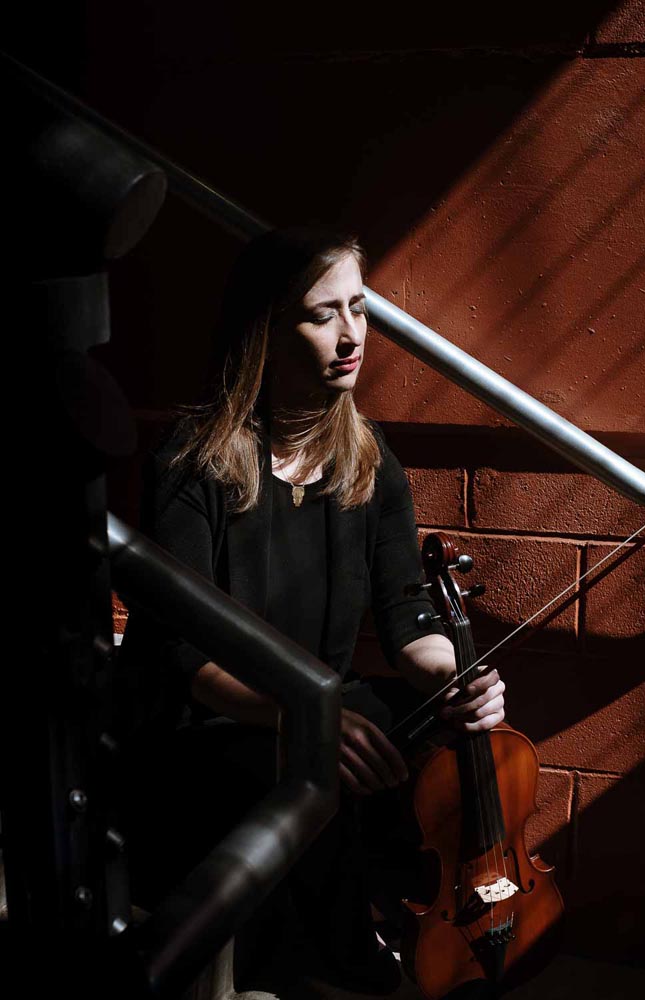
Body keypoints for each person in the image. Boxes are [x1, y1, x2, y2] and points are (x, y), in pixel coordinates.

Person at [116, 226, 505, 995]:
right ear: (265, 329)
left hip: (319, 705)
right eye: (320, 314)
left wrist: (457, 677)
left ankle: (394, 926)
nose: (350, 334)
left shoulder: (368, 459)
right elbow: (181, 656)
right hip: (211, 716)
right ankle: (315, 962)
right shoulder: (193, 464)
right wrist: (299, 718)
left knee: (434, 740)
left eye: (357, 308)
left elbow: (406, 621)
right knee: (304, 764)